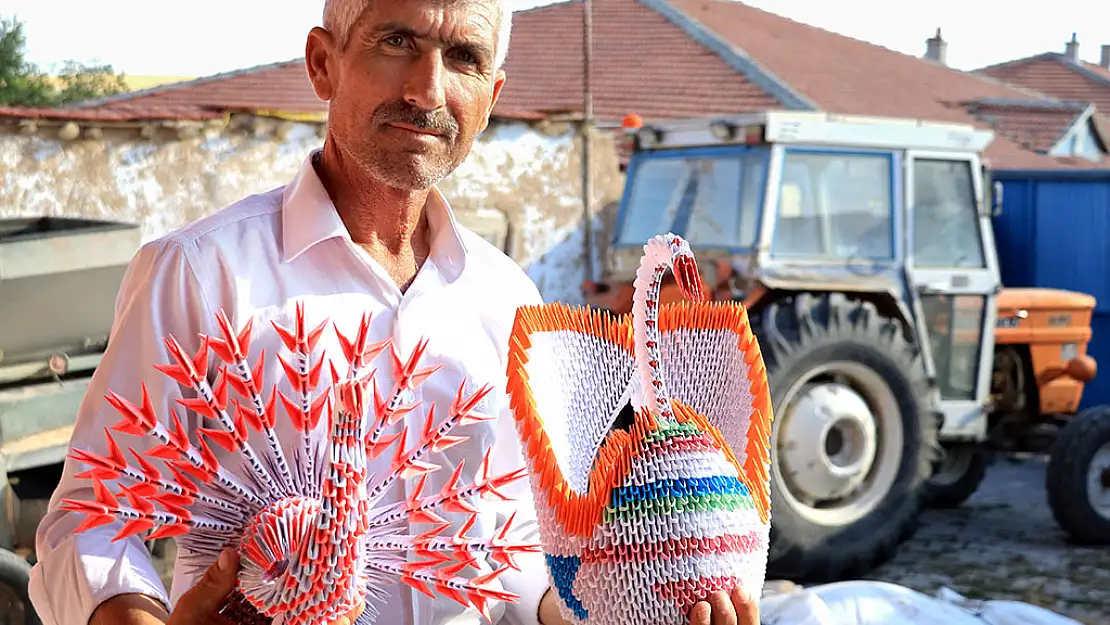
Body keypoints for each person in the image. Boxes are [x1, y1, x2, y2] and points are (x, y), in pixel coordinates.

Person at [26, 1, 762, 624]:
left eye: (464, 57)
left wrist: (614, 604)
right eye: (397, 41)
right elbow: (89, 520)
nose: (428, 88)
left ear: (493, 93)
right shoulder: (200, 274)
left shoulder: (509, 300)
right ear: (323, 64)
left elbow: (521, 546)